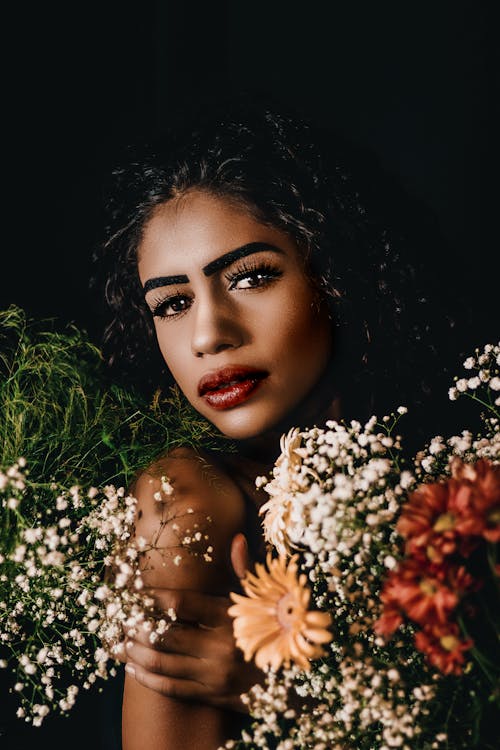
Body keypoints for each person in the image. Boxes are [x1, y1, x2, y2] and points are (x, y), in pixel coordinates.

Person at [93, 92, 460, 749]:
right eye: (172, 303)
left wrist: (298, 694)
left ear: (336, 276)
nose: (209, 333)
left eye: (251, 278)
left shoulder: (461, 487)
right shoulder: (191, 506)